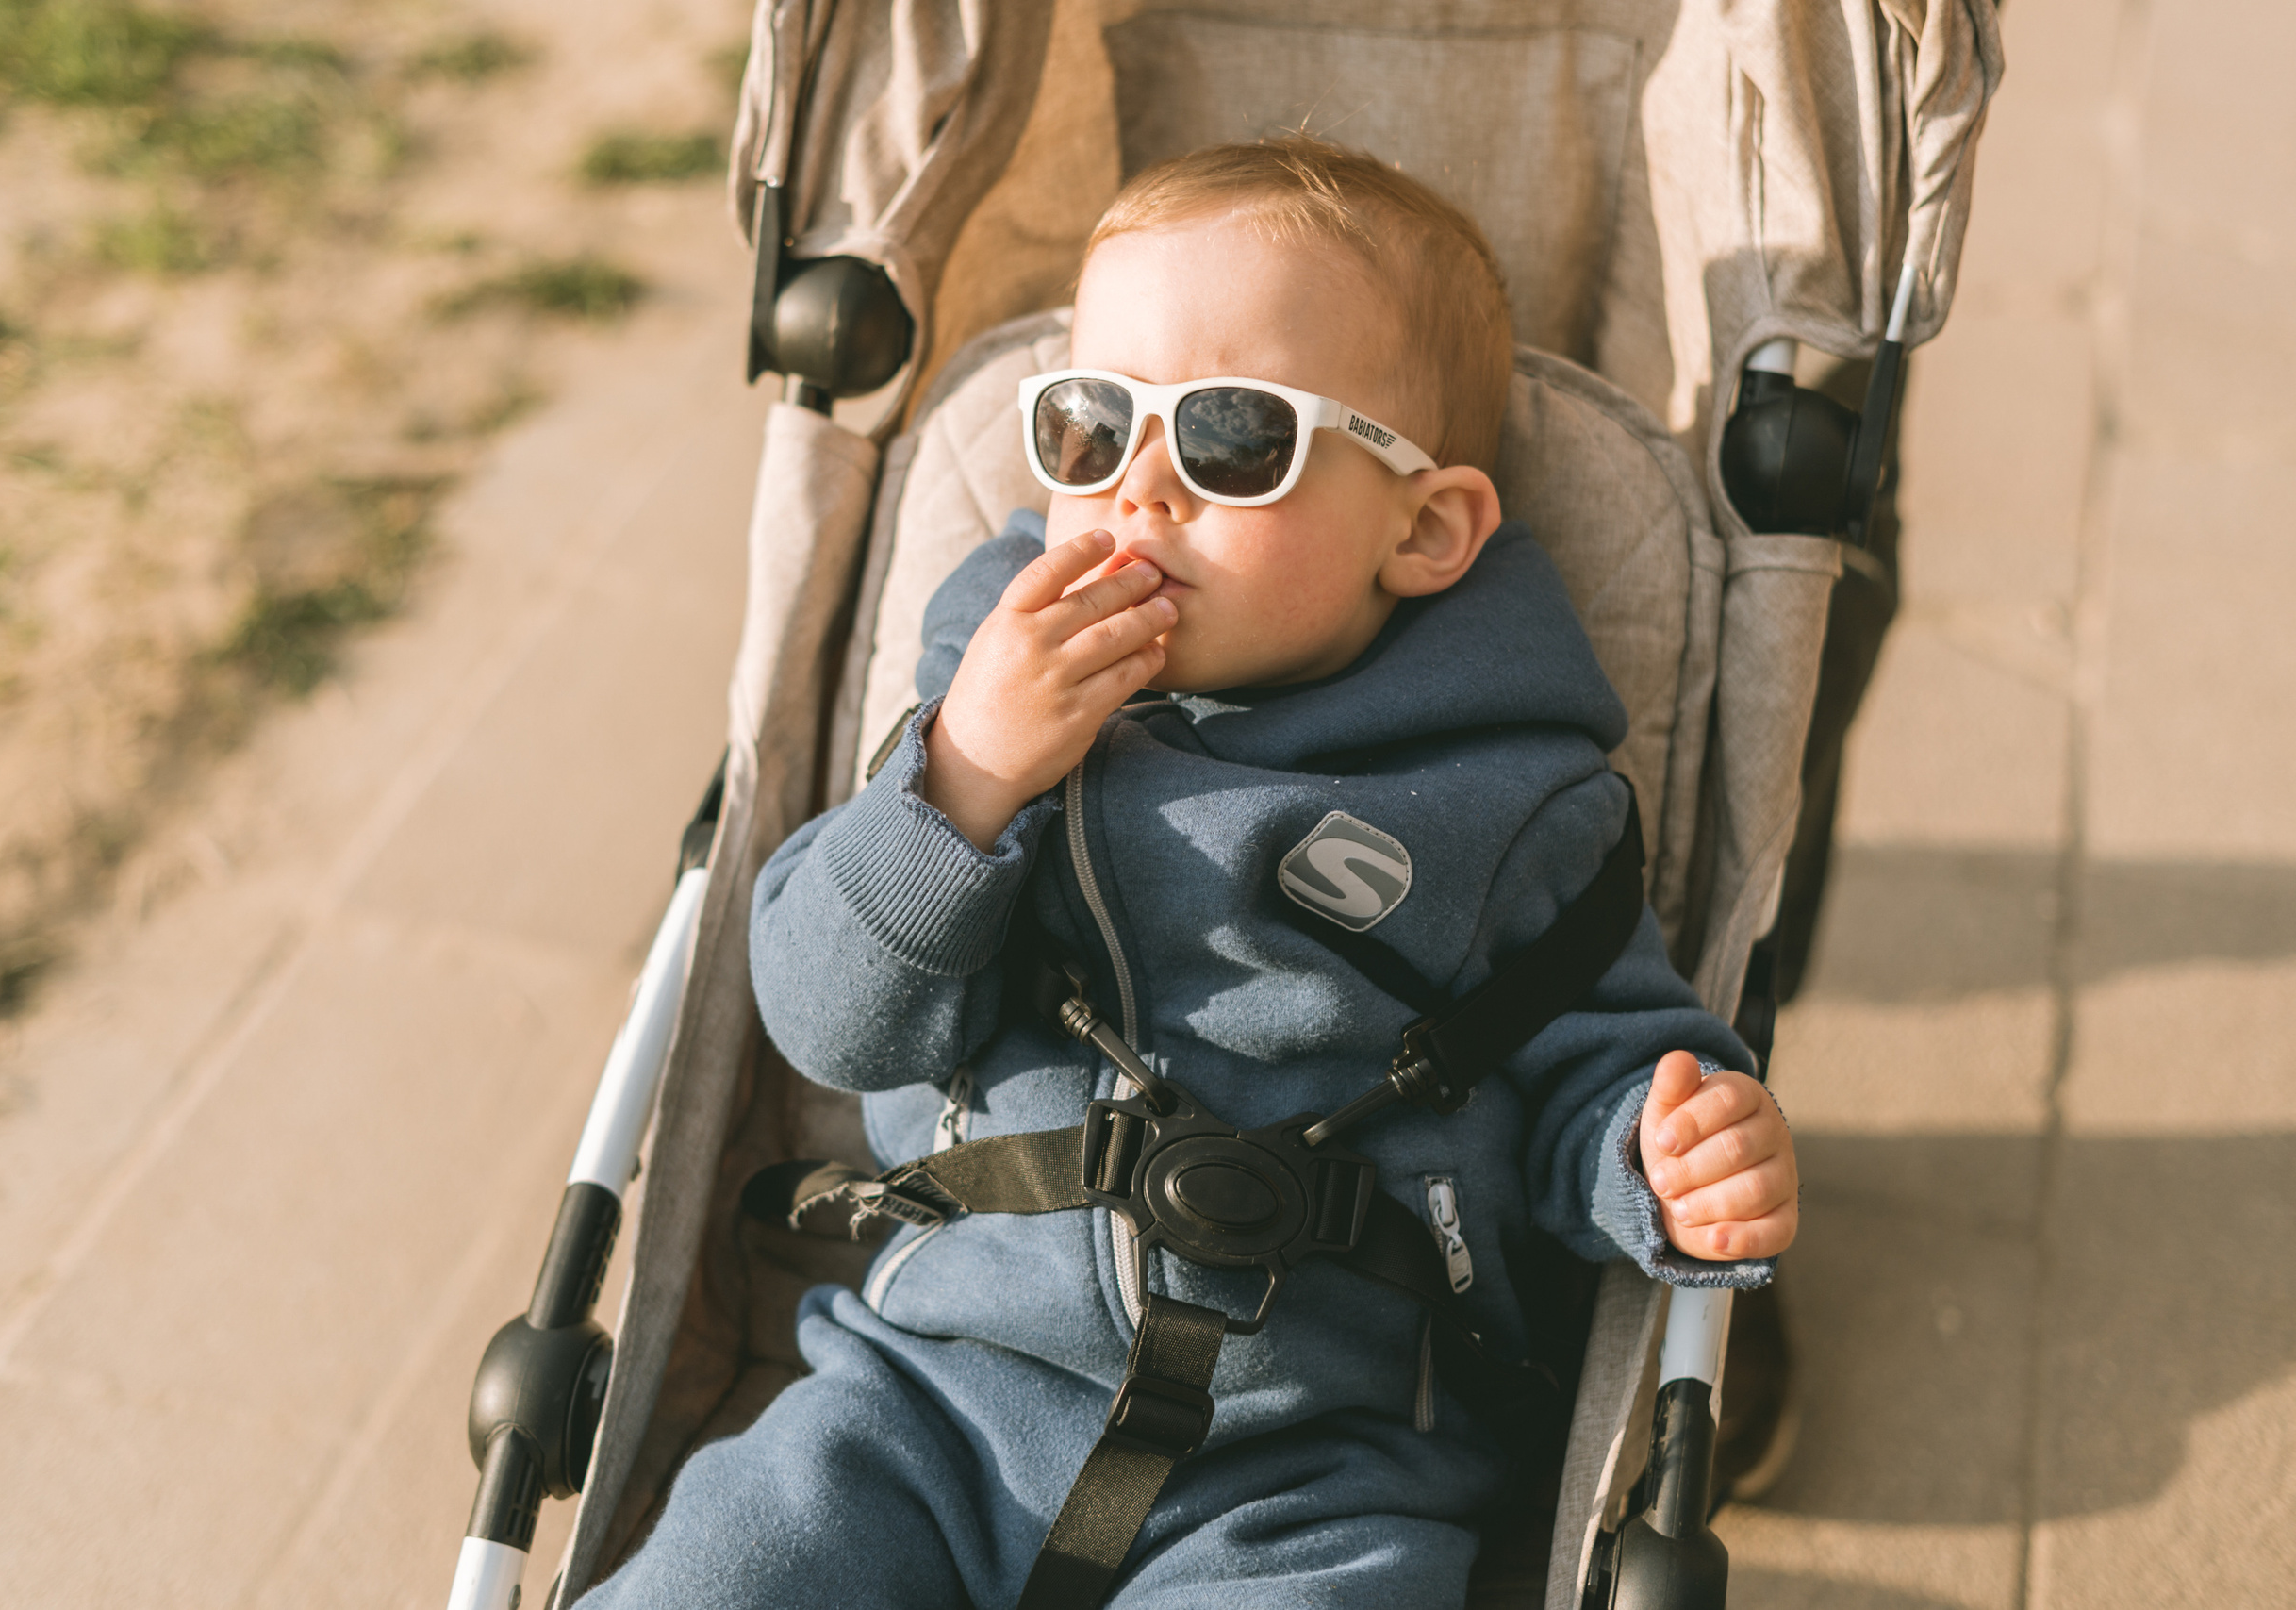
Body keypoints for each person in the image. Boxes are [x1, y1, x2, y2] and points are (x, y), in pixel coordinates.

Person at [580, 137, 1798, 1610]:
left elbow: (1589, 1064)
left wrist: (1657, 1158)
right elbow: (823, 1022)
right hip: (927, 1400)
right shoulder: (976, 708)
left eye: (1233, 438)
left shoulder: (1507, 797)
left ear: (1422, 528)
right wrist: (963, 785)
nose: (1137, 489)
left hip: (1314, 1477)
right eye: (1091, 427)